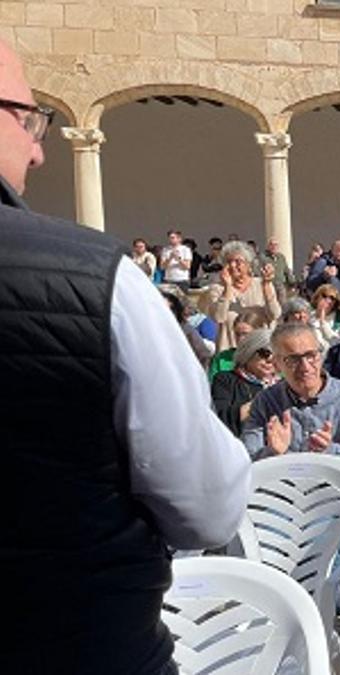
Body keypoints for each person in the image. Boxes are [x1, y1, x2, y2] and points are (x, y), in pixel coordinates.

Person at [0, 38, 250, 673]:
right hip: (75, 644)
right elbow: (207, 503)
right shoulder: (97, 279)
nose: (38, 146)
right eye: (29, 120)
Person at [241, 322, 340, 476]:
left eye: (311, 356)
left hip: (338, 493)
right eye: (293, 359)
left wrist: (329, 451)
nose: (305, 367)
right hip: (280, 493)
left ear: (320, 355)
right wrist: (272, 453)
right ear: (277, 365)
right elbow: (246, 463)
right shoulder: (266, 401)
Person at [200, 240, 281, 353]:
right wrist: (227, 288)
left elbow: (274, 314)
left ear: (249, 265)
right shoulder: (217, 289)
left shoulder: (262, 284)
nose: (233, 265)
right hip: (229, 352)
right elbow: (219, 317)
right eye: (228, 262)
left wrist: (266, 285)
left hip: (262, 352)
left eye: (238, 261)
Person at [211, 327, 276, 435]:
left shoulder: (283, 384)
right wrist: (259, 403)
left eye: (277, 354)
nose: (270, 359)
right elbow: (218, 417)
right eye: (265, 353)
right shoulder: (226, 380)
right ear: (248, 352)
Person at [256, 236, 295, 300]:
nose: (274, 247)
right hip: (270, 285)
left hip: (281, 285)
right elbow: (257, 271)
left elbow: (286, 270)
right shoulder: (262, 257)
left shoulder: (281, 257)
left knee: (283, 305)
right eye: (272, 244)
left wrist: (292, 282)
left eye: (276, 245)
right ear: (268, 246)